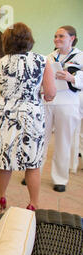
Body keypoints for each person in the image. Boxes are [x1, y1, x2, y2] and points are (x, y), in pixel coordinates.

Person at [0, 22, 56, 212]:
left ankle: (2, 197)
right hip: (30, 116)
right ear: (29, 40)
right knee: (32, 164)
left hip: (4, 116)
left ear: (7, 41)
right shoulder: (42, 61)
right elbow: (50, 93)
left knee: (4, 162)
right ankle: (33, 203)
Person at [43, 25, 83, 192]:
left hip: (68, 102)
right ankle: (33, 172)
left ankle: (60, 178)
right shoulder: (49, 57)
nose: (57, 39)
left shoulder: (80, 57)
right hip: (48, 102)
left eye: (61, 36)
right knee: (40, 139)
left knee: (63, 142)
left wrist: (71, 78)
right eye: (55, 36)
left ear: (71, 38)